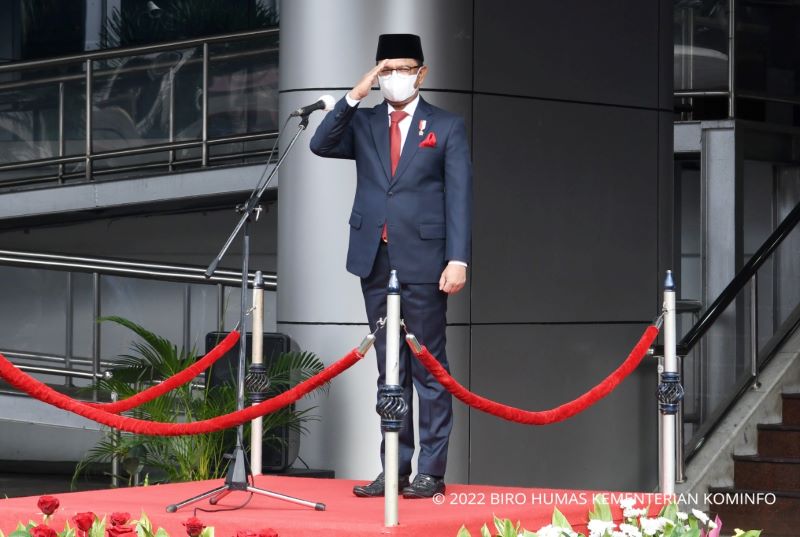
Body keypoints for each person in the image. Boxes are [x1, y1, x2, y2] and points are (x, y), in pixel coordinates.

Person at [310, 34, 472, 499]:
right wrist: (354, 95)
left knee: (428, 366)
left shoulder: (446, 125)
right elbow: (321, 143)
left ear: (422, 73)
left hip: (425, 260)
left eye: (403, 68)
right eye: (386, 69)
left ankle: (431, 471)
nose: (395, 77)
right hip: (374, 258)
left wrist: (458, 258)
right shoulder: (363, 123)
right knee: (388, 368)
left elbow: (459, 196)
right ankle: (394, 469)